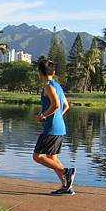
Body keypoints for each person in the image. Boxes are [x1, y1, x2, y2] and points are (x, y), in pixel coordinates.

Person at [33, 59, 76, 195]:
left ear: (40, 73)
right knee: (52, 158)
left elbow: (56, 105)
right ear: (54, 72)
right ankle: (66, 186)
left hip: (51, 128)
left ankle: (66, 171)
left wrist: (44, 116)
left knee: (37, 157)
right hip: (60, 127)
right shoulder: (57, 86)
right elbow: (66, 106)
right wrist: (56, 117)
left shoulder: (48, 86)